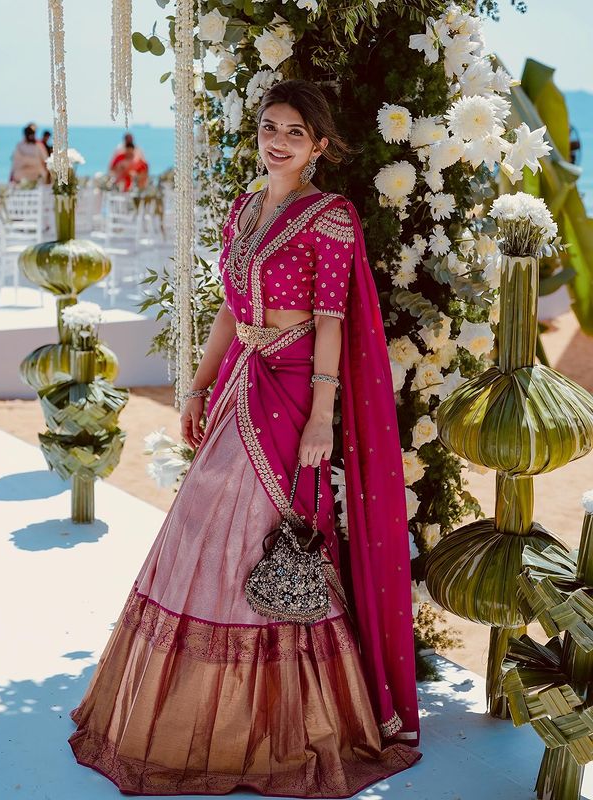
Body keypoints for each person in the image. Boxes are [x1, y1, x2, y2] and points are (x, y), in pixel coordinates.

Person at [69, 79, 420, 796]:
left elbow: (331, 321)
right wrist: (195, 386)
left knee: (258, 530)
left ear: (319, 146)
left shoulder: (331, 218)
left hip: (292, 389)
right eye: (269, 127)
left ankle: (283, 727)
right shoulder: (243, 210)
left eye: (295, 131)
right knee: (201, 527)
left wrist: (323, 416)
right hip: (239, 383)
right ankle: (196, 715)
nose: (278, 140)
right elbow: (230, 312)